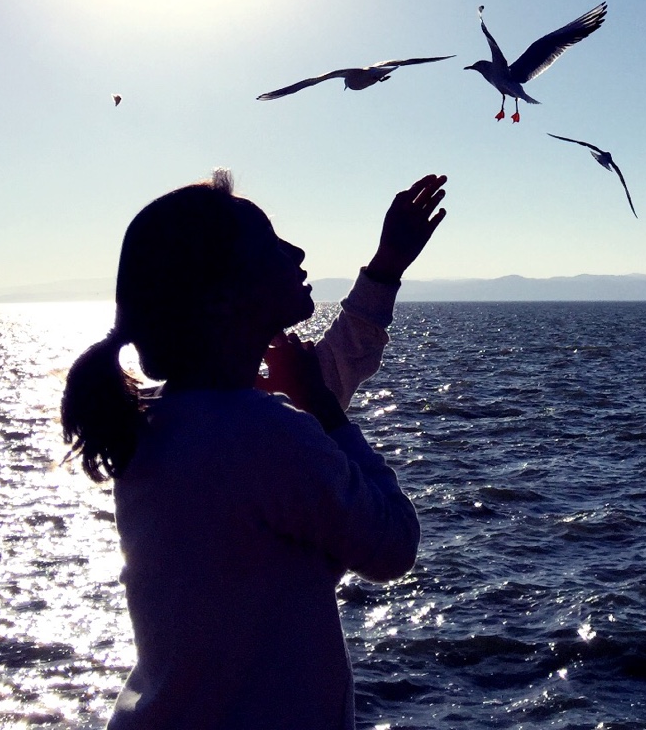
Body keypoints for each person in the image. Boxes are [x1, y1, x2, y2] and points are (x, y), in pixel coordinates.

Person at [61, 168, 446, 730]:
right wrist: (321, 402)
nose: (296, 249)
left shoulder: (171, 422)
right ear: (222, 291)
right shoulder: (258, 434)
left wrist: (386, 268)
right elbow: (392, 543)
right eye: (270, 241)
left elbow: (304, 408)